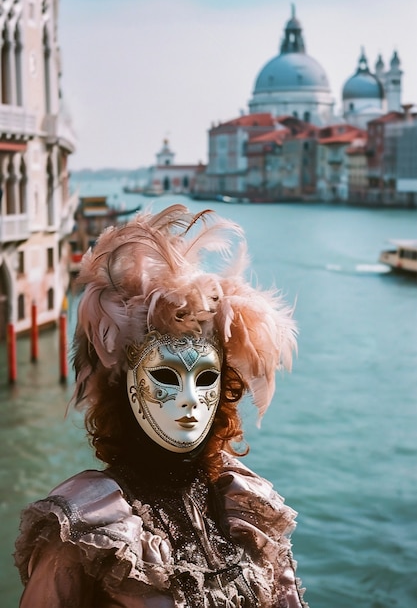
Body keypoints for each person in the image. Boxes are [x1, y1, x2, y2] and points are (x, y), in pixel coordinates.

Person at [14, 204, 308, 607]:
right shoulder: (87, 527)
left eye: (206, 378)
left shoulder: (246, 505)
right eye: (166, 378)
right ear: (130, 391)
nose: (190, 399)